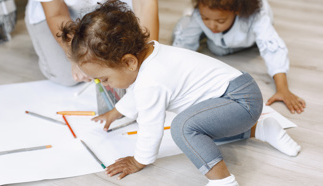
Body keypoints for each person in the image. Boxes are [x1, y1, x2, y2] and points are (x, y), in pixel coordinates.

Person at [58, 1, 301, 185]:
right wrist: (116, 112)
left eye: (106, 78)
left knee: (184, 128)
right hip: (239, 96)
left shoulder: (151, 80)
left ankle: (223, 181)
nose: (106, 84)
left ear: (130, 62)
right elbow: (138, 94)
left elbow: (150, 124)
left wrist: (139, 160)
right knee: (198, 130)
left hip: (239, 100)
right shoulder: (150, 55)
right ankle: (261, 129)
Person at [172, 0, 306, 114]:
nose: (212, 25)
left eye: (220, 20)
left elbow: (272, 48)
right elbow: (184, 44)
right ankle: (205, 32)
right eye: (205, 18)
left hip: (248, 35)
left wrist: (283, 89)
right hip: (220, 38)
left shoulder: (256, 16)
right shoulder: (198, 13)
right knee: (195, 38)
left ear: (236, 10)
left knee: (218, 48)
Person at [25, 0, 158, 86]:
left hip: (113, 7)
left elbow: (145, 4)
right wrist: (74, 52)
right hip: (61, 13)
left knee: (132, 65)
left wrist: (147, 60)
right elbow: (56, 13)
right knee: (68, 77)